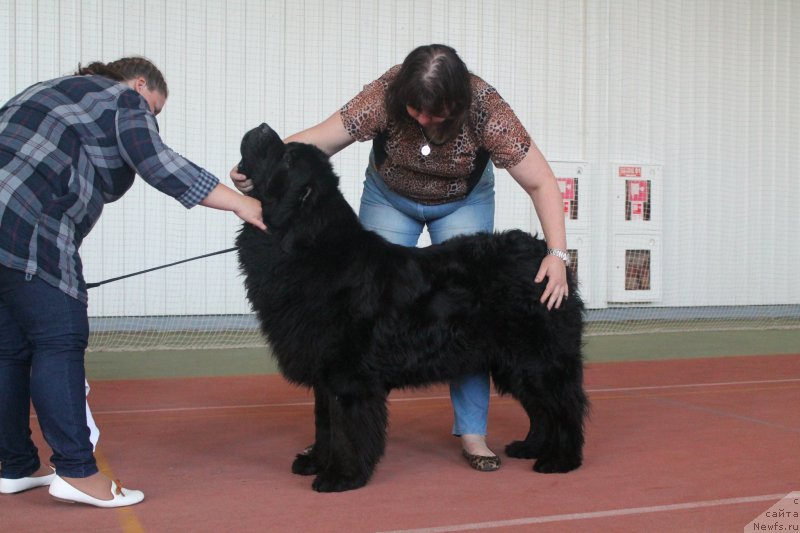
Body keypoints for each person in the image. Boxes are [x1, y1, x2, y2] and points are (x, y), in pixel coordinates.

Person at [231, 44, 569, 472]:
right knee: (356, 329)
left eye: (437, 113)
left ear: (459, 103)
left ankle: (472, 434)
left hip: (461, 199)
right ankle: (338, 441)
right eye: (416, 110)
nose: (424, 121)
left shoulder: (487, 110)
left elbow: (542, 183)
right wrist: (259, 172)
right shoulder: (384, 96)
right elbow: (319, 140)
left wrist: (557, 254)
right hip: (391, 196)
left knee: (467, 316)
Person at [0, 57, 266, 507]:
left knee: (10, 346)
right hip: (28, 220)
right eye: (155, 109)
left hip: (11, 216)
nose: (151, 119)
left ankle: (13, 465)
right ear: (141, 84)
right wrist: (240, 204)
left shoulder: (51, 90)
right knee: (59, 337)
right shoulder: (122, 98)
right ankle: (77, 471)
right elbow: (157, 162)